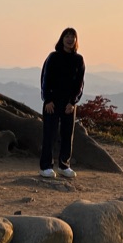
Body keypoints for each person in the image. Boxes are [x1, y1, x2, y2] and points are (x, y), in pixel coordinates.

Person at [39, 27, 85, 178]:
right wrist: (47, 100)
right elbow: (45, 79)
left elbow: (79, 84)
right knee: (49, 134)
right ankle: (45, 166)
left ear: (76, 40)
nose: (70, 39)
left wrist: (73, 102)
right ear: (62, 39)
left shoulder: (79, 60)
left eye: (73, 37)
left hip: (69, 104)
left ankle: (64, 166)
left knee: (67, 134)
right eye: (67, 36)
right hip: (52, 102)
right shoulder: (53, 57)